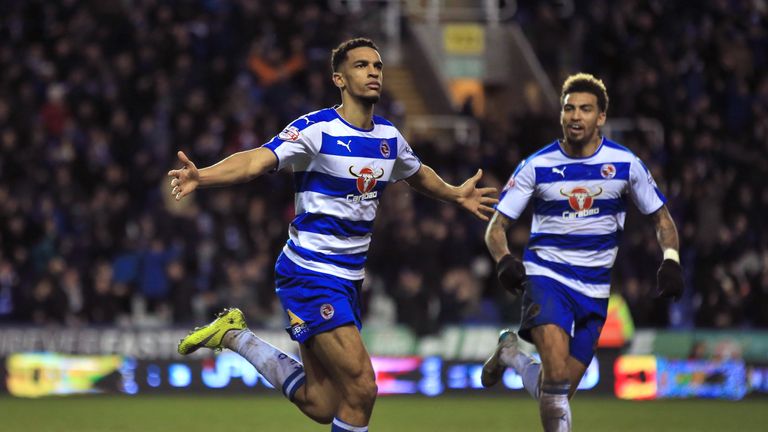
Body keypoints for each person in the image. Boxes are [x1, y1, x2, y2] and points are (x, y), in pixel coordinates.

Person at [169, 38, 497, 432]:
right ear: (339, 78)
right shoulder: (316, 130)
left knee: (321, 402)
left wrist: (454, 193)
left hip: (348, 280)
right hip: (310, 272)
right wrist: (202, 176)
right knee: (362, 388)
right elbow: (257, 159)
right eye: (361, 66)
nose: (374, 72)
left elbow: (416, 172)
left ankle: (235, 337)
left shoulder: (388, 138)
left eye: (377, 66)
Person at [480, 73, 684, 432]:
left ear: (601, 117)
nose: (576, 116)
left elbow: (662, 218)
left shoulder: (626, 164)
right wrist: (505, 259)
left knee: (554, 390)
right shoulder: (537, 166)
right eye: (569, 108)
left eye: (585, 109)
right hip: (547, 276)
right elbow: (496, 227)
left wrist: (671, 259)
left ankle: (511, 355)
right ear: (560, 114)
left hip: (595, 290)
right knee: (556, 385)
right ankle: (515, 355)